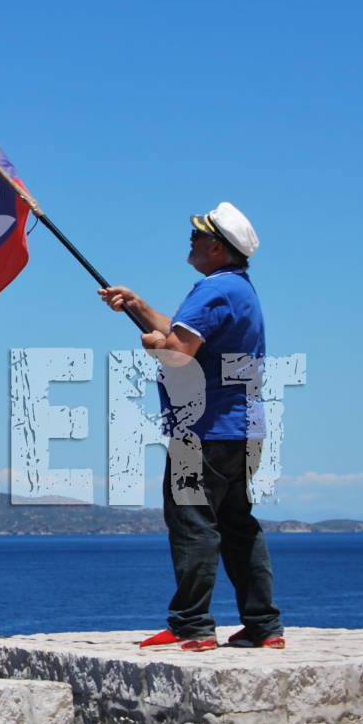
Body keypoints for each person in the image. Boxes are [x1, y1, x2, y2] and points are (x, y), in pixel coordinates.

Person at [98, 201, 284, 652]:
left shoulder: (211, 290)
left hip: (203, 428)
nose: (192, 239)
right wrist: (139, 306)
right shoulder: (237, 289)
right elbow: (185, 333)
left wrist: (153, 346)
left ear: (217, 248)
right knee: (238, 524)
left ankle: (192, 625)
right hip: (241, 429)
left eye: (199, 235)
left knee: (193, 523)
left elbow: (178, 353)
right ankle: (263, 626)